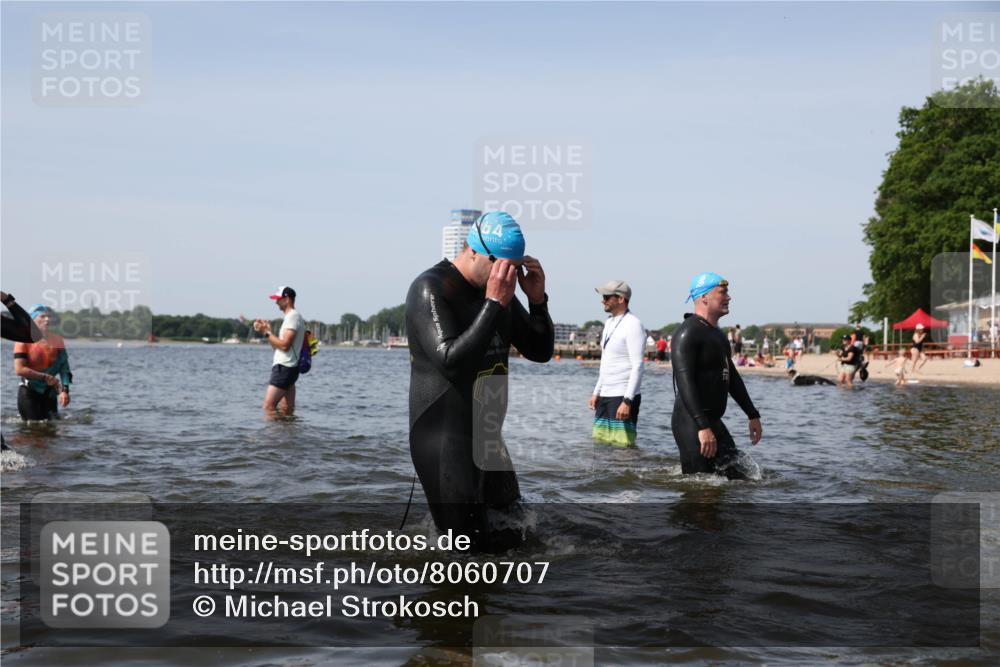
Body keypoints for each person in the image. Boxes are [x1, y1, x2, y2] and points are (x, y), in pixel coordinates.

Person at [406, 211, 553, 551]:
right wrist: (493, 304)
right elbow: (451, 362)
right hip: (445, 439)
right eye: (501, 265)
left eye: (514, 268)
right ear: (474, 250)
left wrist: (537, 301)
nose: (507, 275)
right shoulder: (431, 288)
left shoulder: (498, 294)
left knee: (516, 536)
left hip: (488, 438)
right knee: (465, 553)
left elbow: (540, 351)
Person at [671, 272, 763, 480]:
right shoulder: (687, 333)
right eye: (723, 292)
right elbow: (685, 383)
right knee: (700, 490)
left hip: (713, 422)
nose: (728, 297)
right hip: (692, 423)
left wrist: (752, 414)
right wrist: (702, 427)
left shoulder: (717, 334)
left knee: (741, 480)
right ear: (704, 297)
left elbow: (732, 378)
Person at [589, 281, 646, 447]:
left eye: (607, 297)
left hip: (623, 395)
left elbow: (638, 366)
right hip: (606, 394)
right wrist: (597, 391)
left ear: (621, 299)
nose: (603, 300)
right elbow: (606, 361)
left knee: (623, 448)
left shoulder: (633, 324)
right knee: (600, 445)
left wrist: (627, 401)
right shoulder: (609, 323)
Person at [13, 305, 72, 420]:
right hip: (29, 391)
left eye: (48, 316)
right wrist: (45, 377)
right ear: (33, 320)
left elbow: (65, 369)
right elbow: (19, 370)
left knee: (51, 427)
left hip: (50, 392)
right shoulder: (22, 340)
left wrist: (65, 391)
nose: (47, 319)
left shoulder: (57, 340)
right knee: (33, 427)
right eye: (42, 316)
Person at [254, 286, 305, 417]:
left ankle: (272, 431)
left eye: (278, 299)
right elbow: (278, 348)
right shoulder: (291, 317)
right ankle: (287, 431)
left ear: (287, 299)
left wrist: (266, 333)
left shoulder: (292, 317)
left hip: (285, 368)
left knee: (268, 407)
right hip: (289, 367)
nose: (276, 302)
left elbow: (284, 346)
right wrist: (269, 332)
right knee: (286, 409)